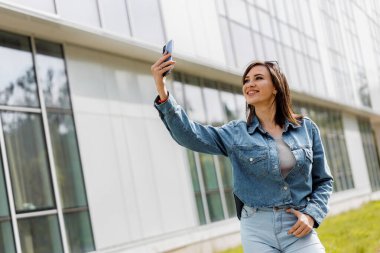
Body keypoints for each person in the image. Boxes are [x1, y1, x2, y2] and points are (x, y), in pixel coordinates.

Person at [151, 52, 333, 253]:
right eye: (246, 80)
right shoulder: (236, 132)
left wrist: (311, 215)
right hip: (257, 230)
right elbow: (191, 135)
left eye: (258, 78)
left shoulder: (306, 128)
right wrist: (163, 91)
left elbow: (324, 181)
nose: (249, 84)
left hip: (297, 226)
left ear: (276, 87)